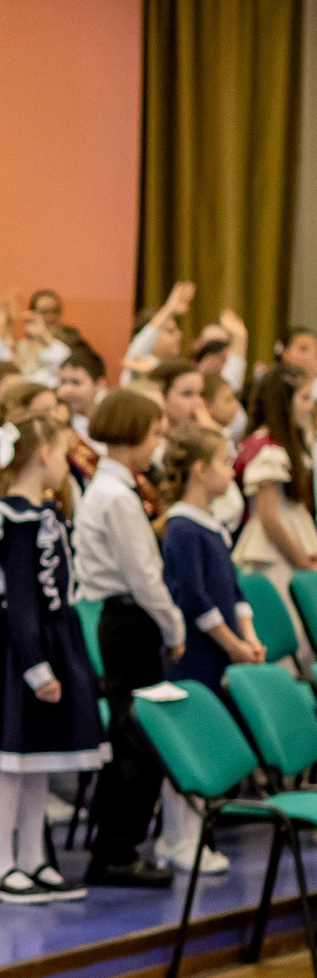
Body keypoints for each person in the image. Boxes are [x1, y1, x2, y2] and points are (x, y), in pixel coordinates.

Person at [0, 411, 109, 902]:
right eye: (66, 452)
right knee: (10, 760)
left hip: (50, 640)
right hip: (22, 652)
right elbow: (21, 600)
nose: (69, 462)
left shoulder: (44, 514)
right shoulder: (18, 519)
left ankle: (32, 857)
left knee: (37, 759)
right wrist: (36, 666)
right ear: (45, 455)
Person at [75, 389, 189, 887]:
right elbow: (144, 576)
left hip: (122, 618)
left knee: (131, 736)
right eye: (155, 434)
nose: (157, 445)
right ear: (133, 433)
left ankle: (116, 845)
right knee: (136, 740)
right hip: (131, 620)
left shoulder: (110, 487)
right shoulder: (117, 495)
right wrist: (174, 626)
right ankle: (117, 851)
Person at [160, 424, 265, 694]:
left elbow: (234, 589)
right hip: (200, 655)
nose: (232, 472)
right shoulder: (183, 528)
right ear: (201, 470)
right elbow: (193, 597)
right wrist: (232, 645)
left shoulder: (211, 524)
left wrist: (249, 640)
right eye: (225, 462)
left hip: (226, 650)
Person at [232, 366, 316, 665]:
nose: (311, 405)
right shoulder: (270, 451)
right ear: (284, 402)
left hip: (293, 543)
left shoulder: (291, 443)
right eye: (305, 398)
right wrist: (301, 560)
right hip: (278, 554)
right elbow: (268, 518)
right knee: (289, 622)